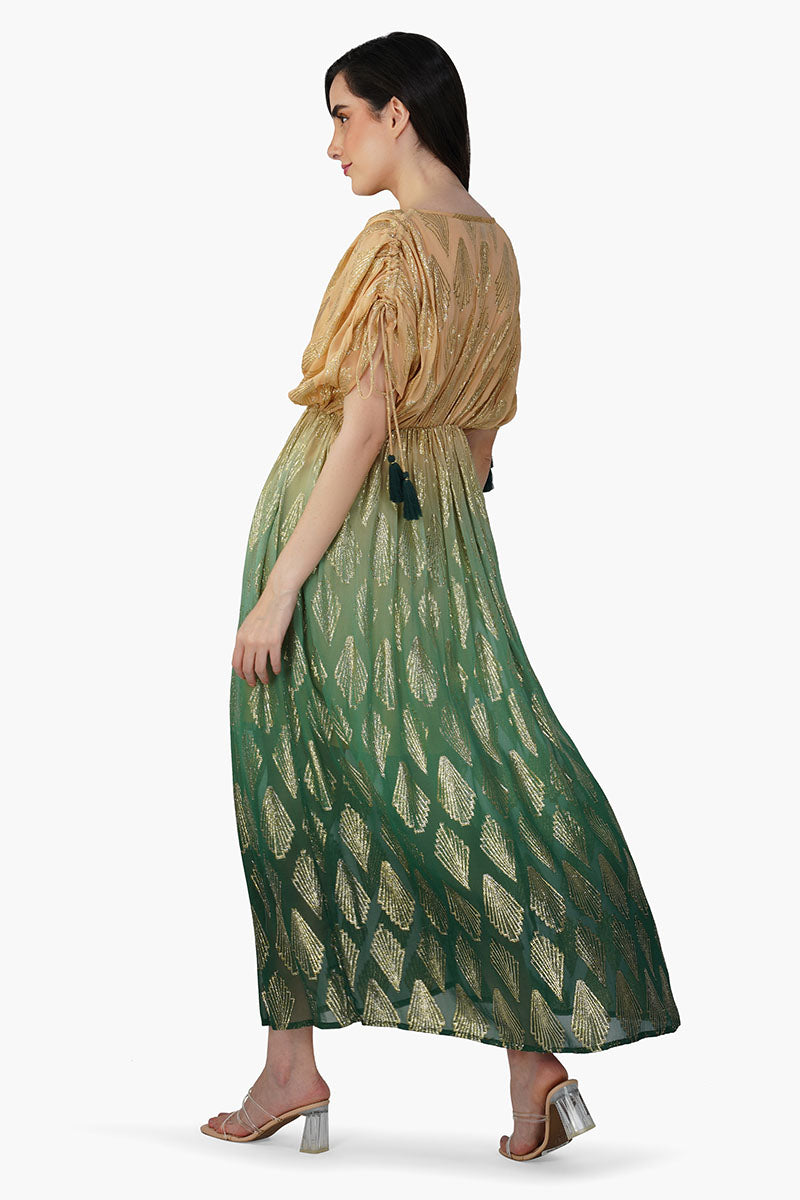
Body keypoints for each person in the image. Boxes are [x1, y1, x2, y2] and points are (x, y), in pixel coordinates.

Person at [201, 32, 681, 1161]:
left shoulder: (394, 244)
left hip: (338, 540)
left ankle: (292, 1066)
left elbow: (363, 421)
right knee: (462, 770)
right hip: (443, 540)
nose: (333, 147)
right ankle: (530, 1060)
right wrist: (444, 556)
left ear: (397, 115)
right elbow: (479, 439)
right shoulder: (492, 246)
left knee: (296, 778)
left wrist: (281, 587)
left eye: (342, 117)